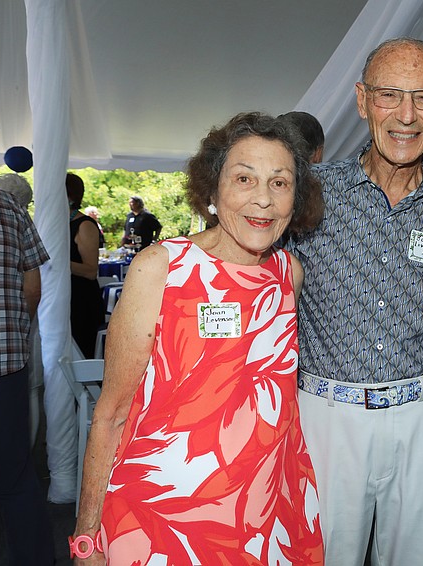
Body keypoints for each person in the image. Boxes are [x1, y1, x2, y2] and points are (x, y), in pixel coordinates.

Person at [71, 112, 325, 565]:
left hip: (264, 515)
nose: (262, 200)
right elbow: (110, 414)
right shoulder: (163, 268)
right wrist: (87, 536)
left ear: (296, 197)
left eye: (280, 183)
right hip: (163, 516)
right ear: (211, 190)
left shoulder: (290, 275)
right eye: (244, 178)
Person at [287, 37, 423, 565]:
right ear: (362, 100)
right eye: (389, 96)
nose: (406, 116)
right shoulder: (309, 193)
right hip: (325, 416)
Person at [0, 186, 54, 565]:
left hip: (3, 364)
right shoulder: (6, 207)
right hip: (2, 366)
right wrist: (15, 331)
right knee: (13, 480)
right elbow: (33, 285)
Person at [67, 173, 105, 359]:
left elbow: (91, 270)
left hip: (82, 300)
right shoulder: (58, 223)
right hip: (65, 297)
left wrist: (60, 264)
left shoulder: (85, 225)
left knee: (83, 352)